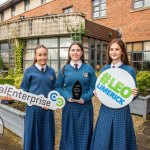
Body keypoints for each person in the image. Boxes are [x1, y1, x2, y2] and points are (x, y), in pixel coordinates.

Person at [90, 39, 138, 150]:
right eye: (111, 49)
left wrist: (135, 93)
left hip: (121, 110)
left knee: (120, 141)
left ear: (122, 52)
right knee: (103, 140)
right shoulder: (105, 69)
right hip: (106, 109)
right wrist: (96, 92)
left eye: (117, 49)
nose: (113, 52)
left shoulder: (129, 70)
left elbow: (134, 94)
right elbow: (99, 87)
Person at [55, 42, 96, 150]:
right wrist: (67, 96)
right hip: (69, 107)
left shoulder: (89, 68)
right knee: (69, 134)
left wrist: (85, 98)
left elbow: (94, 88)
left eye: (78, 50)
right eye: (73, 50)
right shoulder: (64, 69)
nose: (75, 52)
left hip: (85, 107)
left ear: (82, 52)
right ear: (69, 52)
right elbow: (58, 87)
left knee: (85, 134)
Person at [21, 45, 56, 150]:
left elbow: (55, 91)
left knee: (47, 136)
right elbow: (24, 90)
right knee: (32, 136)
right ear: (35, 56)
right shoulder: (29, 71)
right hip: (33, 110)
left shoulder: (51, 71)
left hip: (47, 110)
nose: (43, 57)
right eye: (40, 55)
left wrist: (51, 102)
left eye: (45, 54)